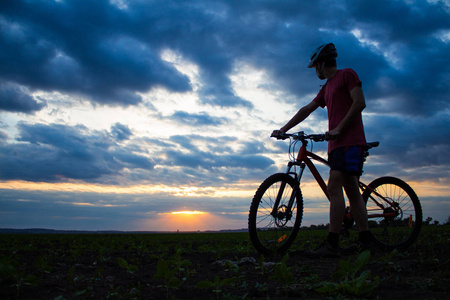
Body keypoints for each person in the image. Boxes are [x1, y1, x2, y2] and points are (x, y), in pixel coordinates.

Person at [272, 43, 373, 258]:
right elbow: (307, 109)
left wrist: (339, 128)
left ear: (320, 64)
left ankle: (333, 244)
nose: (314, 71)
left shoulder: (347, 74)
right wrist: (284, 129)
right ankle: (366, 240)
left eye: (314, 67)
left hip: (350, 141)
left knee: (334, 187)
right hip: (336, 145)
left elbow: (360, 102)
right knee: (352, 191)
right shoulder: (327, 88)